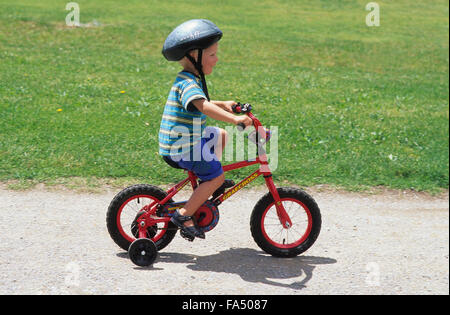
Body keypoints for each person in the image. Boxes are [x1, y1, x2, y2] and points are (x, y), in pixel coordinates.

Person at [159, 19, 252, 241]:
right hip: (181, 146)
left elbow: (205, 102)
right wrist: (234, 118)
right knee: (217, 177)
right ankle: (184, 214)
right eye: (212, 55)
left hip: (186, 140)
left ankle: (206, 184)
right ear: (195, 56)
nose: (216, 59)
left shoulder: (190, 79)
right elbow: (203, 106)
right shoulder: (188, 83)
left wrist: (225, 104)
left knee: (219, 135)